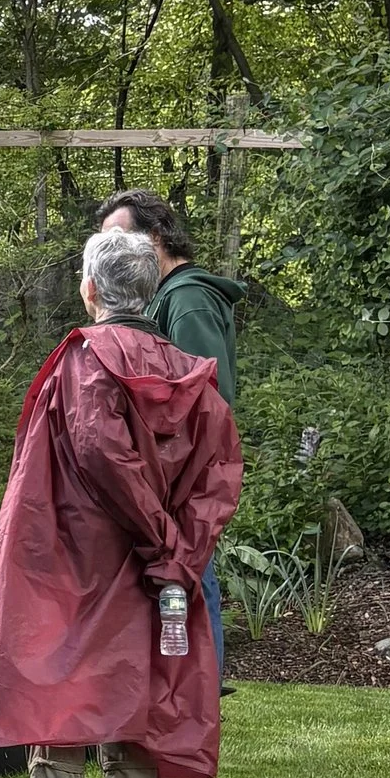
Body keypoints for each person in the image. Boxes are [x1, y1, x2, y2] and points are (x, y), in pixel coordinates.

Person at [0, 226, 241, 778]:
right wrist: (178, 547)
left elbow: (97, 451)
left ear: (88, 290)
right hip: (156, 557)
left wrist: (159, 538)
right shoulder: (191, 373)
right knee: (139, 664)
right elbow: (219, 473)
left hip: (75, 545)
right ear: (153, 289)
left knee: (63, 669)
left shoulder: (84, 361)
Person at [98, 186, 245, 674]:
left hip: (183, 486)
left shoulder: (186, 300)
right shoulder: (163, 299)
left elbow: (204, 401)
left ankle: (201, 694)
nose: (112, 253)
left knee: (191, 577)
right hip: (163, 486)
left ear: (157, 236)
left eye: (120, 237)